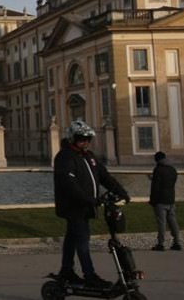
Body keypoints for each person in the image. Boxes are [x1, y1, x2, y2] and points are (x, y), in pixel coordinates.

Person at [53, 120, 129, 287]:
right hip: (73, 207)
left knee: (72, 239)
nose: (86, 142)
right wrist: (92, 200)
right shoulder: (65, 157)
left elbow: (105, 177)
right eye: (82, 139)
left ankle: (66, 271)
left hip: (85, 206)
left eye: (88, 139)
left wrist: (121, 191)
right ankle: (89, 276)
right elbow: (69, 185)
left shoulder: (89, 156)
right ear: (73, 138)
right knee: (82, 241)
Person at [149, 151, 182, 251]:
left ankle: (160, 244)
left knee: (161, 223)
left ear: (157, 160)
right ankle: (177, 242)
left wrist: (152, 200)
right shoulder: (172, 169)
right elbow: (171, 183)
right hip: (171, 200)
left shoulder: (158, 170)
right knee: (173, 221)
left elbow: (155, 187)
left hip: (160, 200)